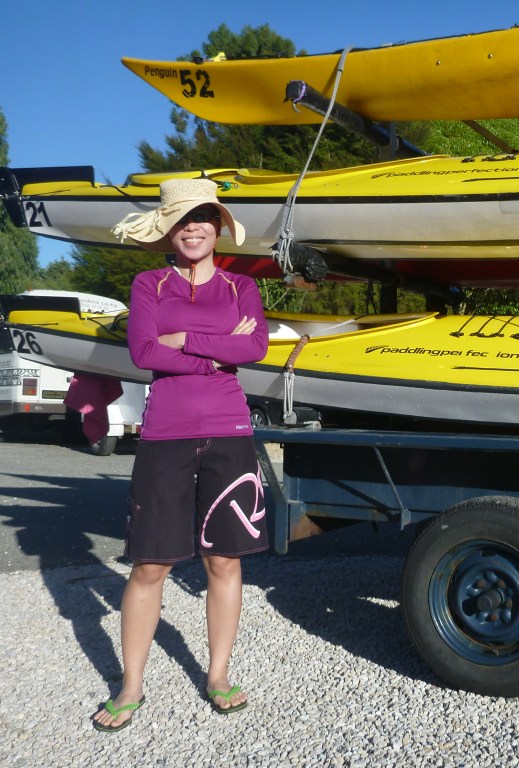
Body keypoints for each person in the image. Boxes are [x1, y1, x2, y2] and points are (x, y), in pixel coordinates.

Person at [92, 178, 270, 732]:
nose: (192, 228)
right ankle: (131, 686)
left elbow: (256, 348)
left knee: (224, 560)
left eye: (202, 218)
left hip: (229, 430)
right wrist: (216, 352)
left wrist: (184, 341)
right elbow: (144, 351)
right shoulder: (148, 282)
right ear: (169, 229)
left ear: (218, 227)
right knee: (150, 564)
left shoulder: (243, 288)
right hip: (165, 435)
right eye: (182, 219)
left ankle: (217, 674)